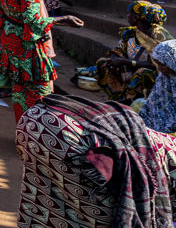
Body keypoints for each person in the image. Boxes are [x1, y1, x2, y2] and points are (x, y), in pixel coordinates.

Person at [16, 94, 176, 226]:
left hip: (36, 118)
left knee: (48, 197)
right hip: (71, 139)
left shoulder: (162, 143)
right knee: (97, 216)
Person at [76, 1, 173, 104]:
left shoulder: (158, 37)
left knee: (142, 73)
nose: (127, 16)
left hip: (155, 75)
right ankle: (116, 98)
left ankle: (129, 101)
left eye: (129, 14)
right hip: (130, 68)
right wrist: (114, 58)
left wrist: (125, 62)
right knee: (103, 63)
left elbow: (154, 65)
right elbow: (118, 49)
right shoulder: (130, 33)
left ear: (135, 18)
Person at [140, 39, 176, 134]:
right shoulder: (163, 78)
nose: (159, 68)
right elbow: (151, 104)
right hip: (158, 126)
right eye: (157, 64)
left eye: (163, 65)